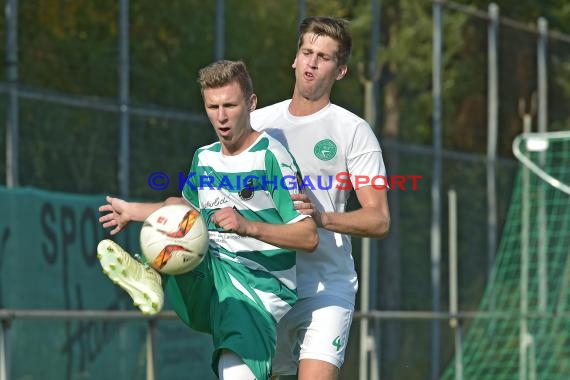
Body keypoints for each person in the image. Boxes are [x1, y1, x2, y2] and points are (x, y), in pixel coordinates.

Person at [97, 60, 319, 380]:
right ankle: (150, 274)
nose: (222, 116)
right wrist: (132, 211)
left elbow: (308, 236)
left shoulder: (272, 157)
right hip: (210, 273)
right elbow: (182, 208)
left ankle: (154, 273)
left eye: (230, 105)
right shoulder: (205, 156)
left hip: (255, 287)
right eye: (213, 107)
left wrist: (248, 225)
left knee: (235, 370)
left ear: (251, 103)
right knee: (177, 219)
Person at [250, 16, 390, 380]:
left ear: (340, 71)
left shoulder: (352, 130)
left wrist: (322, 218)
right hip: (265, 285)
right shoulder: (257, 124)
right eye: (307, 52)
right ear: (295, 59)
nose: (312, 62)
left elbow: (378, 218)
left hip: (327, 287)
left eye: (324, 57)